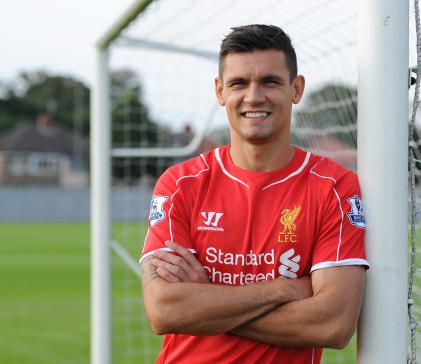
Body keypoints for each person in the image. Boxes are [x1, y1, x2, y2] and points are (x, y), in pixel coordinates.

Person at [139, 24, 369, 364]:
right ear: (220, 91)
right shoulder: (180, 184)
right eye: (238, 83)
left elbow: (332, 323)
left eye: (270, 82)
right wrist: (283, 289)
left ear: (296, 88)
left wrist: (205, 302)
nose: (254, 96)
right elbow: (164, 311)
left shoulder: (334, 186)